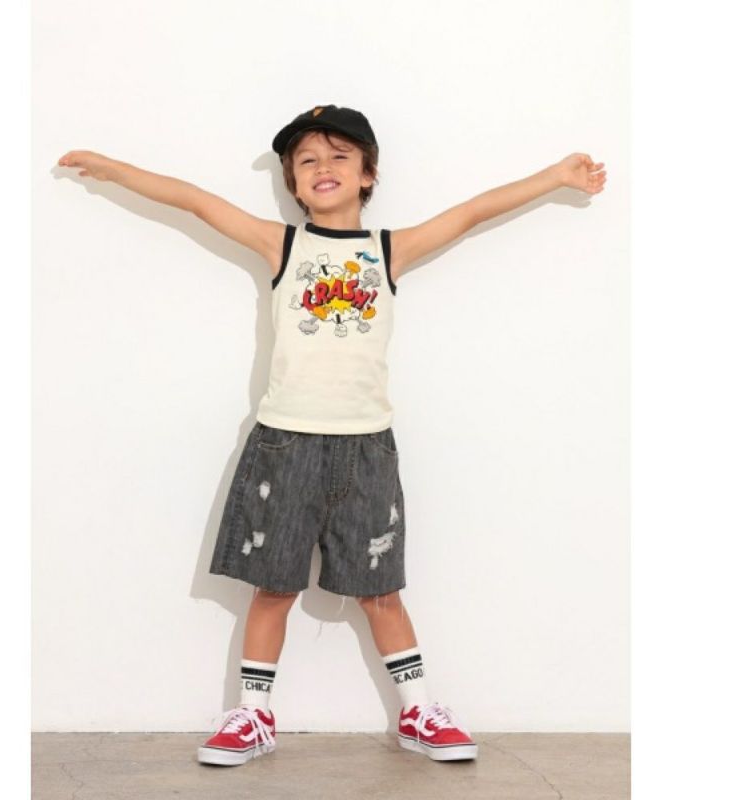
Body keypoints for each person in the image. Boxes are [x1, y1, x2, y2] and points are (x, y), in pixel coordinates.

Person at [58, 104, 606, 767]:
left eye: (340, 156)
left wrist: (554, 176)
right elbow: (196, 201)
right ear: (293, 181)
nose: (323, 167)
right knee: (273, 586)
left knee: (381, 590)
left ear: (367, 174)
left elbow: (470, 213)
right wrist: (113, 168)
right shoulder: (283, 246)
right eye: (307, 160)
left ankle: (417, 710)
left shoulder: (388, 249)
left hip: (367, 448)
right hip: (285, 444)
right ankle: (253, 713)